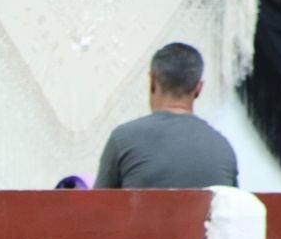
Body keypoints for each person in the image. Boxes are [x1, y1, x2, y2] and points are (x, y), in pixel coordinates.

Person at [95, 42, 238, 189]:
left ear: (153, 81)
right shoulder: (223, 149)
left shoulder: (123, 139)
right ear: (198, 88)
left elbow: (97, 202)